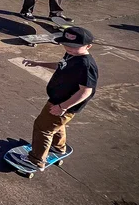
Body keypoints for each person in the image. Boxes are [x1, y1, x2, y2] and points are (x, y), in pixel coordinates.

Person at [17, 27, 98, 171]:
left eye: (74, 46)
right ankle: (58, 147)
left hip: (65, 103)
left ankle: (36, 160)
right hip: (58, 100)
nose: (69, 48)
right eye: (66, 44)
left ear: (88, 46)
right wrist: (39, 63)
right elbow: (61, 66)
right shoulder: (72, 55)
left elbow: (86, 91)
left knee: (43, 128)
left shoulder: (85, 65)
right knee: (55, 124)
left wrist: (63, 107)